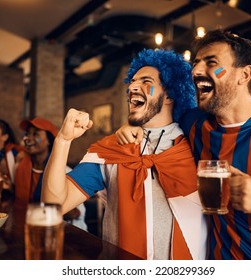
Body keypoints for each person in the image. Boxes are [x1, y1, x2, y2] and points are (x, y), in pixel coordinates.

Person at [118, 30, 251, 260]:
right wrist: (133, 126)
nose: (196, 71)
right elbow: (155, 114)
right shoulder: (194, 123)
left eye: (211, 63)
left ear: (244, 74)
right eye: (196, 63)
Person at [42, 49, 208, 260]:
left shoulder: (197, 143)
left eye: (146, 81)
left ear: (170, 94)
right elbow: (53, 205)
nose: (132, 87)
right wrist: (63, 140)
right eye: (132, 81)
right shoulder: (111, 149)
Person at [15, 117, 87, 231]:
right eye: (27, 134)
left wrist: (58, 205)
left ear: (49, 140)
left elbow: (76, 213)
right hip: (30, 227)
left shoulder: (64, 172)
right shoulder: (21, 167)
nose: (28, 138)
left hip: (62, 232)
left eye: (35, 134)